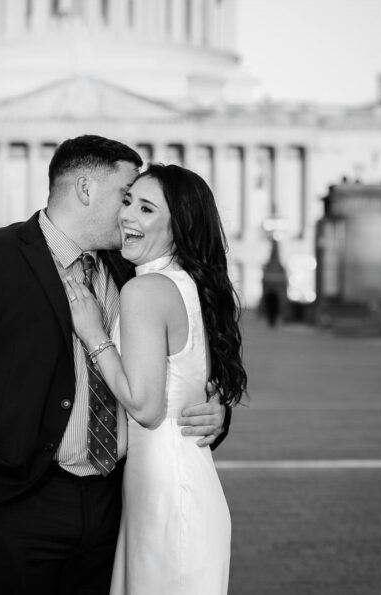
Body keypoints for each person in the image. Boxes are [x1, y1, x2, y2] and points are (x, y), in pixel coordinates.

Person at [0, 135, 231, 595]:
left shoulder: (132, 270)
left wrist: (214, 413)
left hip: (113, 505)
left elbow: (178, 363)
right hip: (14, 504)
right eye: (125, 197)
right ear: (84, 189)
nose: (127, 213)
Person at [64, 163, 246, 594]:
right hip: (176, 484)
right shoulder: (187, 284)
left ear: (178, 227)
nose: (128, 215)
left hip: (165, 494)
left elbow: (145, 408)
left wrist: (93, 335)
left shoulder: (143, 290)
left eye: (147, 209)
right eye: (128, 201)